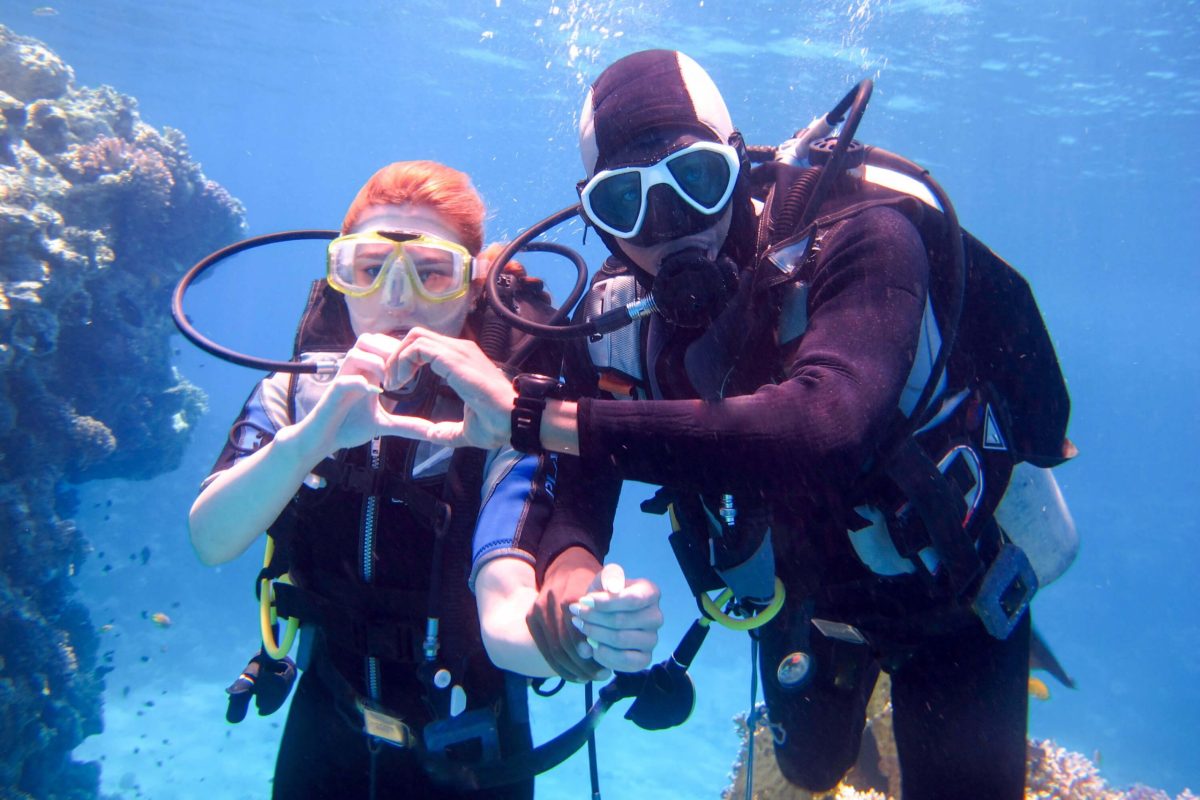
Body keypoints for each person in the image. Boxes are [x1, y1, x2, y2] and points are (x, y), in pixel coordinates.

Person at [383, 51, 1075, 799]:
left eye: (697, 180)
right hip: (804, 608)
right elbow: (580, 493)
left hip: (953, 600)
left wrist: (534, 417)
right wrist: (574, 581)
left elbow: (826, 424)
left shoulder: (862, 235)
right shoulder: (614, 326)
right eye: (627, 203)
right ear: (595, 214)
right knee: (810, 768)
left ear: (739, 165)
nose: (669, 228)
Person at [187, 160, 663, 799]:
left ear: (470, 289)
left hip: (471, 752)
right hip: (328, 728)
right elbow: (211, 538)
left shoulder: (498, 418)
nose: (396, 297)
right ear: (341, 278)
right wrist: (311, 440)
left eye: (432, 272)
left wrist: (581, 633)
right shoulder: (292, 394)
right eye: (370, 267)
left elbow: (505, 614)